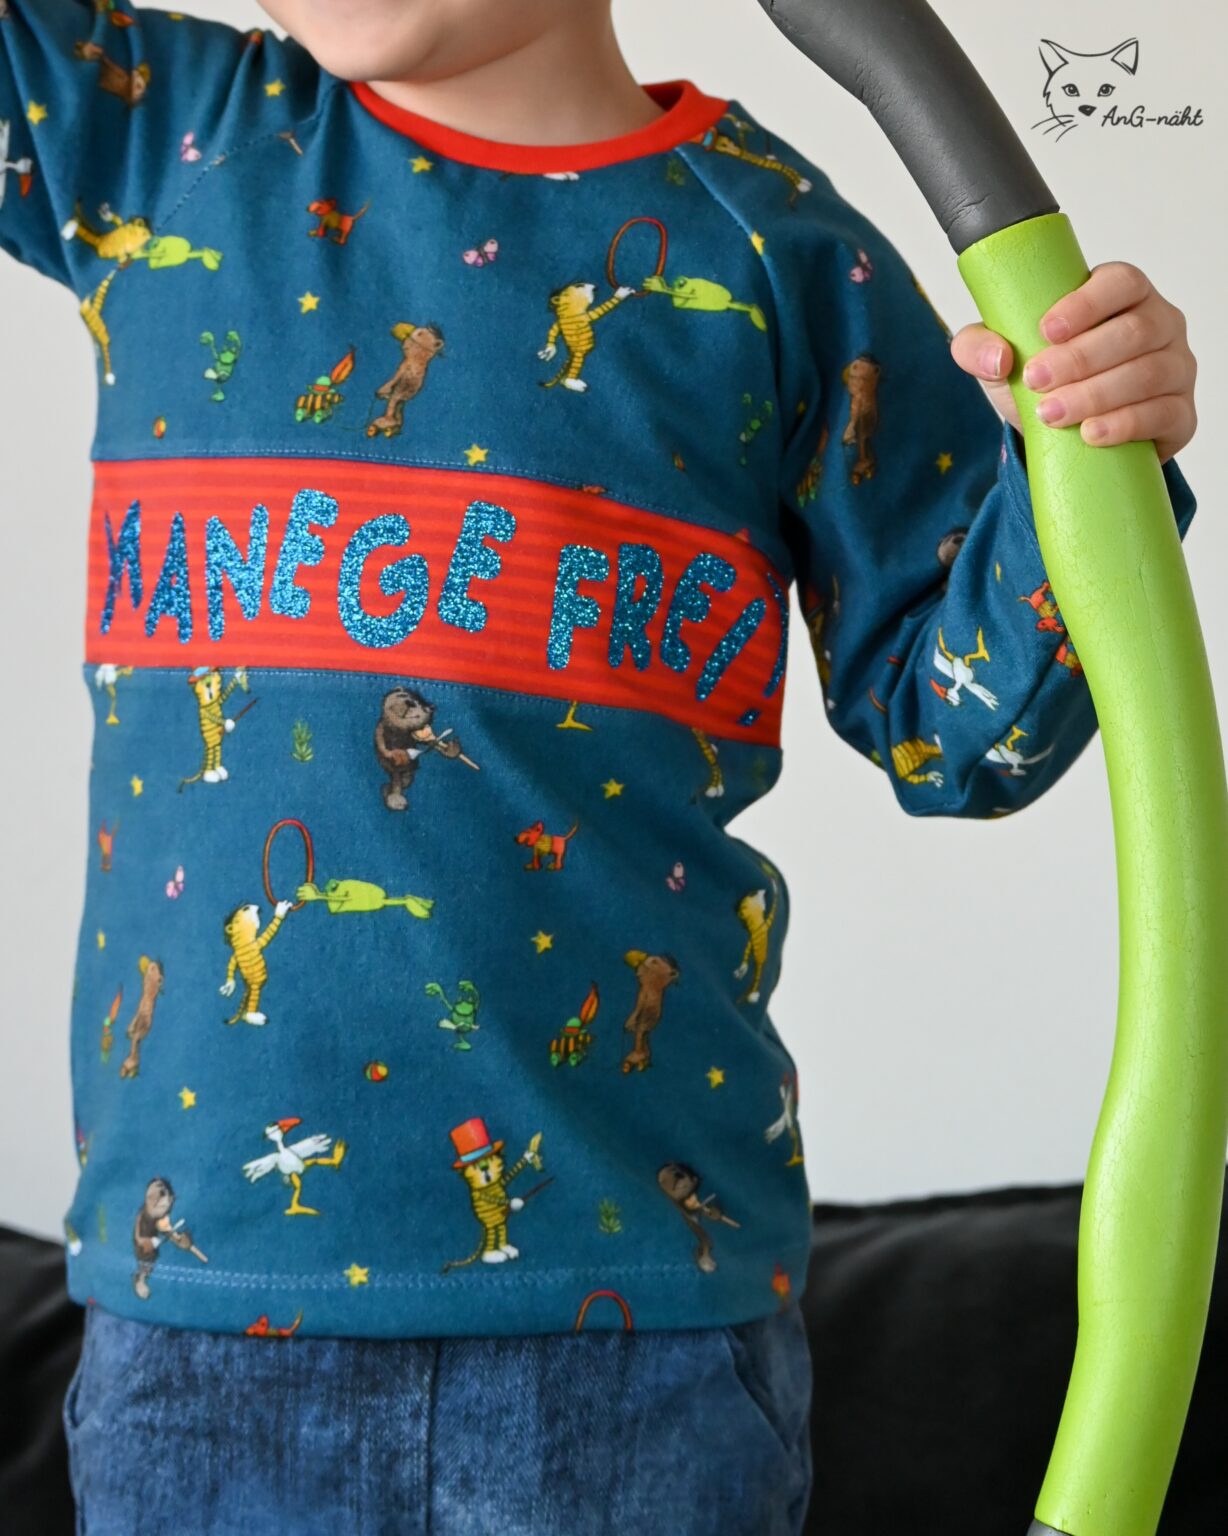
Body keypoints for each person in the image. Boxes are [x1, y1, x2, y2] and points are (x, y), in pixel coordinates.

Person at [0, 1, 1199, 1531]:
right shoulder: (151, 132)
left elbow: (960, 727)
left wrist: (1084, 460)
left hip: (638, 1356)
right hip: (197, 1333)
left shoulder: (774, 257)